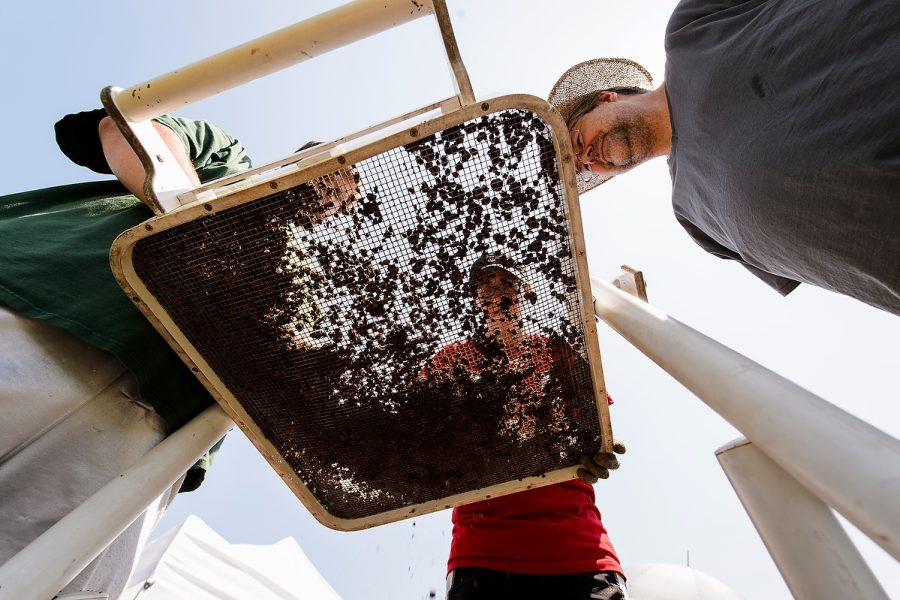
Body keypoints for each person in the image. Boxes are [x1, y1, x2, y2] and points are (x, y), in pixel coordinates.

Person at [0, 108, 359, 596]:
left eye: (340, 195)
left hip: (147, 438)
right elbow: (128, 132)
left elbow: (288, 380)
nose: (330, 188)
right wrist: (197, 222)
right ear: (294, 160)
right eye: (327, 168)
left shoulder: (304, 287)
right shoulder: (229, 163)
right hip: (41, 314)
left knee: (40, 576)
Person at [548, 0, 900, 316]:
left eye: (579, 139)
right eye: (582, 166)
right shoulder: (693, 220)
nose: (587, 157)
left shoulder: (689, 26)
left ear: (606, 98)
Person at [421, 253, 628, 600]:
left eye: (505, 285)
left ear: (525, 293)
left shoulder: (557, 354)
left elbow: (597, 426)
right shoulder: (451, 361)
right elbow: (415, 434)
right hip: (483, 554)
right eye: (484, 288)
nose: (495, 296)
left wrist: (601, 444)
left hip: (579, 551)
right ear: (474, 301)